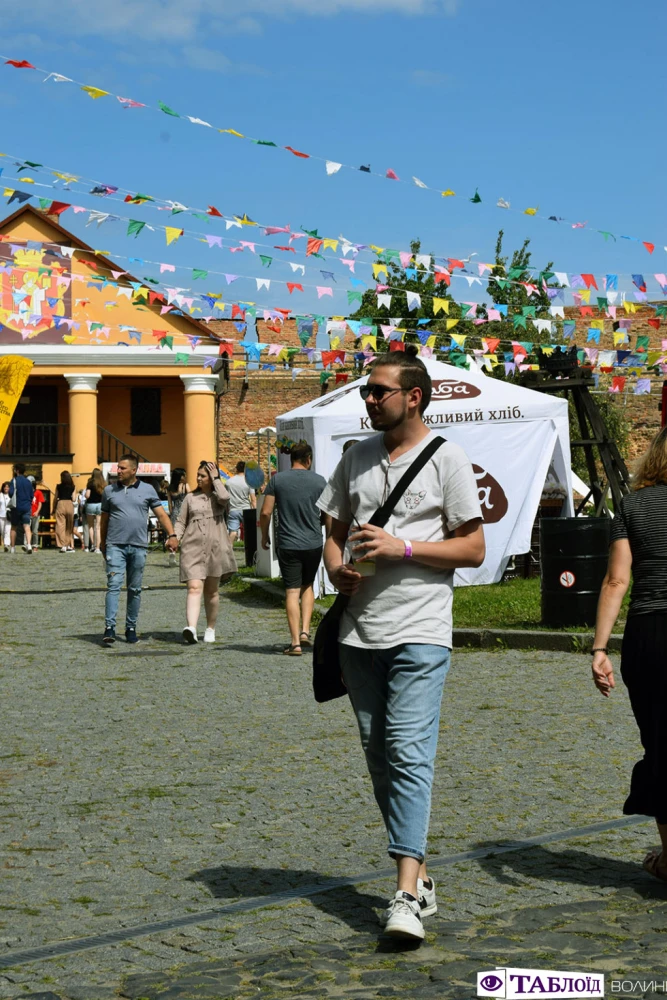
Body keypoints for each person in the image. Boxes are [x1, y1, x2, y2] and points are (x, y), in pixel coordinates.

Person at [317, 349, 485, 941]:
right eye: (367, 390)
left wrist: (404, 549)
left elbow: (473, 550)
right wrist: (336, 570)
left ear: (413, 396)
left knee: (409, 751)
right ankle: (421, 873)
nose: (368, 399)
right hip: (358, 633)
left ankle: (406, 894)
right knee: (380, 755)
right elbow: (332, 534)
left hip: (421, 630)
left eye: (378, 391)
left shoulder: (448, 459)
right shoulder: (355, 457)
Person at [591, 426, 667, 884]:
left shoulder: (634, 505)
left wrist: (600, 647)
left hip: (653, 632)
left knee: (660, 742)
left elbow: (616, 581)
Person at [100, 454, 179, 644]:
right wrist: (102, 543)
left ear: (134, 470)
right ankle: (109, 627)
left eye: (122, 468)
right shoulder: (109, 491)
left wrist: (172, 535)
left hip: (138, 546)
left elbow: (161, 514)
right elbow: (104, 519)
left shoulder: (148, 489)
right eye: (118, 468)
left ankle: (130, 627)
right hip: (115, 545)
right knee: (114, 585)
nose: (117, 471)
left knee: (134, 589)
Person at [260, 443, 328, 656]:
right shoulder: (319, 481)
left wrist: (264, 535)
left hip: (288, 543)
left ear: (292, 459)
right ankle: (306, 632)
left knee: (291, 590)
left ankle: (294, 643)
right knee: (308, 585)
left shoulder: (278, 480)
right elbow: (328, 512)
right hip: (314, 542)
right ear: (309, 459)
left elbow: (265, 512)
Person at [175, 460, 235, 645]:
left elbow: (225, 499)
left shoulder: (218, 497)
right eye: (198, 475)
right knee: (193, 588)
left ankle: (210, 628)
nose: (198, 478)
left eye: (202, 475)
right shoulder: (190, 498)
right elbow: (180, 522)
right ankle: (191, 628)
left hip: (215, 548)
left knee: (211, 592)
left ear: (211, 477)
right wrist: (174, 538)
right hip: (192, 547)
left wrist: (217, 479)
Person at [225, 461, 256, 545]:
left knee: (233, 532)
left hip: (233, 509)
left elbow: (226, 498)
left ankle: (228, 551)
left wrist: (227, 509)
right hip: (246, 509)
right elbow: (253, 499)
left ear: (236, 469)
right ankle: (250, 550)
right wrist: (255, 511)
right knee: (249, 531)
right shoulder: (249, 481)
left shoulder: (228, 482)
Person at [8, 463, 34, 554]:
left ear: (17, 471)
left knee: (14, 527)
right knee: (27, 526)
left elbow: (11, 493)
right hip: (26, 506)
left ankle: (12, 548)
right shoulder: (28, 482)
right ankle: (29, 545)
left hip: (16, 507)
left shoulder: (14, 480)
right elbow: (32, 495)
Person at [167, 468, 190, 567]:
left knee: (175, 535)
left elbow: (170, 505)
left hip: (175, 512)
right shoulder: (185, 486)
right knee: (186, 535)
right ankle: (186, 558)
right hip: (185, 512)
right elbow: (190, 498)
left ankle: (172, 552)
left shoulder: (170, 488)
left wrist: (172, 515)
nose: (185, 477)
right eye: (183, 475)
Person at [53, 471, 76, 552]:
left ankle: (62, 545)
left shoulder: (58, 486)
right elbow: (74, 499)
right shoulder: (73, 486)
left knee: (60, 525)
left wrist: (53, 508)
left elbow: (55, 498)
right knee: (69, 527)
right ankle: (67, 544)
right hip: (69, 504)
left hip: (61, 503)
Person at [85, 467, 106, 554]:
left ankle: (93, 545)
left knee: (91, 526)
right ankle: (98, 547)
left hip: (91, 505)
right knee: (98, 527)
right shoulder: (103, 483)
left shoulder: (90, 482)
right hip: (100, 505)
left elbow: (87, 495)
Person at [27, 476, 45, 551]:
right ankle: (27, 544)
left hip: (35, 514)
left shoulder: (38, 492)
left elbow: (40, 503)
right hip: (27, 513)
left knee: (34, 531)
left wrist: (37, 511)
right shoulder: (26, 492)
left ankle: (35, 545)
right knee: (27, 530)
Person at [0, 481, 11, 552]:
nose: (6, 488)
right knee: (2, 531)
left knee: (7, 530)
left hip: (9, 516)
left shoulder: (11, 495)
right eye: (5, 486)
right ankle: (4, 543)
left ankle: (6, 544)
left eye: (7, 487)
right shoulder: (0, 495)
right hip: (1, 515)